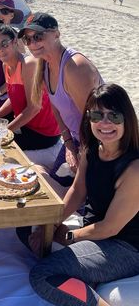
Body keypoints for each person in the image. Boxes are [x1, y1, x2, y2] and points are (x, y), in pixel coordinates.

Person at [29, 84, 139, 306]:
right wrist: (51, 224)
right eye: (97, 114)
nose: (105, 123)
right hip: (93, 230)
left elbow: (110, 228)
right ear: (89, 118)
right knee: (27, 228)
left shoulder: (134, 168)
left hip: (124, 247)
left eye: (114, 116)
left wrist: (69, 236)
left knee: (42, 275)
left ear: (126, 119)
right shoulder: (92, 150)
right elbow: (77, 192)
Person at [18, 12, 103, 186]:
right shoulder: (45, 65)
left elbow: (94, 121)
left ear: (56, 34)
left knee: (68, 199)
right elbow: (56, 107)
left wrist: (78, 151)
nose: (32, 44)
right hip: (75, 139)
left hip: (97, 144)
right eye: (27, 40)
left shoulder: (75, 68)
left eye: (38, 36)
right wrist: (69, 142)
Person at [0, 21, 60, 153]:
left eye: (4, 44)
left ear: (15, 41)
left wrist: (5, 132)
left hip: (43, 132)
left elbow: (34, 107)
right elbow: (13, 98)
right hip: (26, 124)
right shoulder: (6, 65)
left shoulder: (28, 64)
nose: (0, 49)